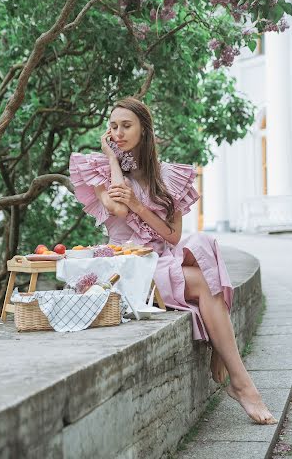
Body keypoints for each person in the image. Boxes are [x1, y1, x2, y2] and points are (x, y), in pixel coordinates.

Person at [69, 96, 277, 425]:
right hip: (127, 266)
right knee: (204, 284)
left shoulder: (168, 176)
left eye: (126, 125)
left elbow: (173, 236)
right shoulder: (98, 169)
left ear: (144, 130)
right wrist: (111, 159)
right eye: (113, 126)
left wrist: (141, 206)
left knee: (204, 245)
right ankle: (240, 380)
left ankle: (237, 376)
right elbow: (117, 210)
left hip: (160, 259)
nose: (118, 132)